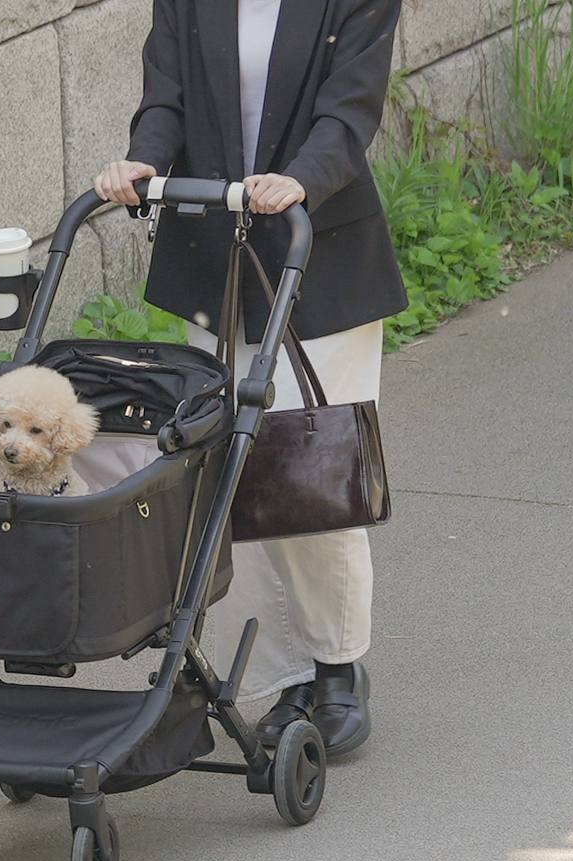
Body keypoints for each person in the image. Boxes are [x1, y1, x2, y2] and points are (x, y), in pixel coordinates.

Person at [95, 0, 408, 756]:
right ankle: (271, 669)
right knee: (229, 465)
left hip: (319, 248)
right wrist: (144, 157)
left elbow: (349, 109)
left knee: (303, 467)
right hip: (216, 248)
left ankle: (336, 666)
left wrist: (300, 178)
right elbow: (166, 91)